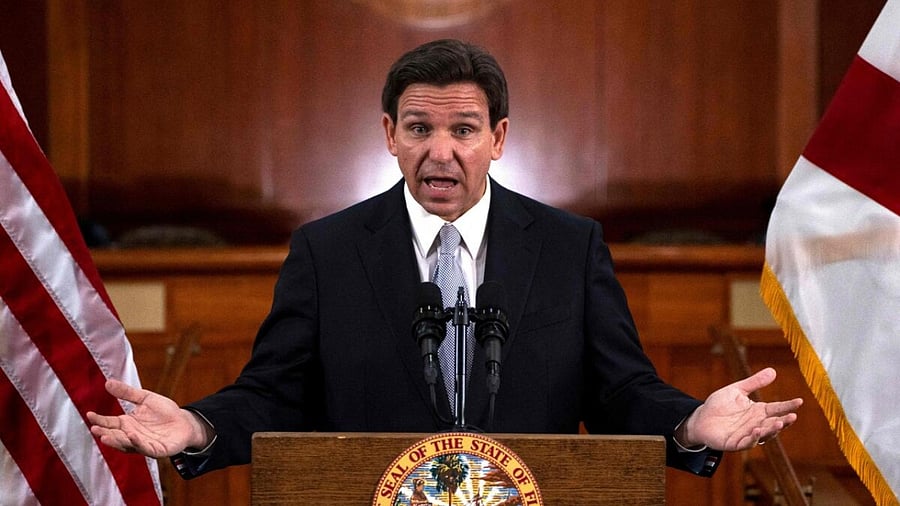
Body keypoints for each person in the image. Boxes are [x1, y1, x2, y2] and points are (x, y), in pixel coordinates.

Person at [87, 38, 802, 480]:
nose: (441, 150)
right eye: (420, 127)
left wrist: (688, 424)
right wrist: (197, 426)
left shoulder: (569, 246)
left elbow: (619, 391)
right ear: (389, 135)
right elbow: (275, 394)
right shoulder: (327, 251)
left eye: (463, 129)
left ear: (498, 138)